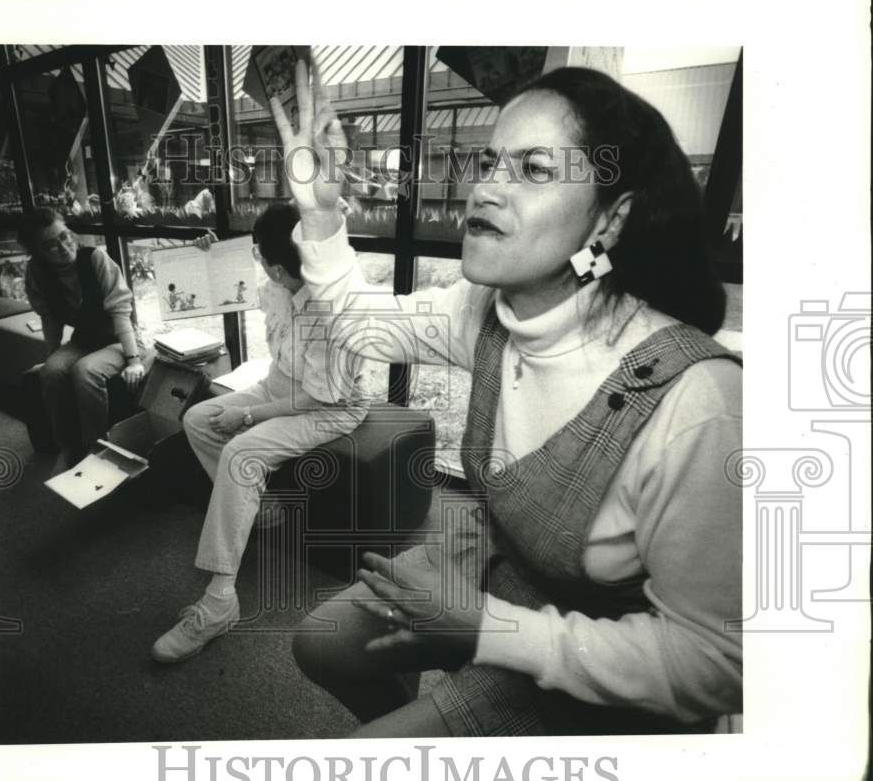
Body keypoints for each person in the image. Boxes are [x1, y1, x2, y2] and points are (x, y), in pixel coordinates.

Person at [277, 61, 743, 736]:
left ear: (610, 220)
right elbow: (360, 323)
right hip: (499, 558)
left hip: (599, 657)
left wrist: (488, 631)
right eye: (491, 161)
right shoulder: (484, 311)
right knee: (320, 641)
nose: (486, 189)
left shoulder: (699, 403)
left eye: (533, 170)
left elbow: (713, 662)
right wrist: (319, 213)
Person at [151, 202, 370, 663]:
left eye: (260, 259)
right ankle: (263, 508)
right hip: (280, 383)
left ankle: (220, 601)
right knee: (197, 419)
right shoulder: (281, 279)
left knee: (240, 453)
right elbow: (228, 288)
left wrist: (249, 418)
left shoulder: (330, 310)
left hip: (332, 405)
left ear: (275, 267)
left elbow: (318, 397)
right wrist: (208, 258)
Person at [21, 208, 147, 463]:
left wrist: (134, 361)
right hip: (84, 341)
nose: (64, 247)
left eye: (65, 236)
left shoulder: (95, 258)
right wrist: (52, 356)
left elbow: (120, 311)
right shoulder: (36, 272)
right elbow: (51, 318)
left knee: (85, 370)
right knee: (51, 371)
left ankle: (96, 445)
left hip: (119, 340)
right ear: (38, 252)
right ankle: (67, 444)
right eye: (50, 245)